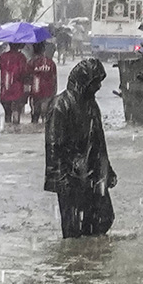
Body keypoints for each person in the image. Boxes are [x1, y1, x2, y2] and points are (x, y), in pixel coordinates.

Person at [44, 58, 116, 239]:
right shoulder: (60, 105)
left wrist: (107, 171)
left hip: (92, 173)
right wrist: (61, 178)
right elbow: (53, 145)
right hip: (69, 175)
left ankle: (91, 258)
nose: (99, 87)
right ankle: (76, 261)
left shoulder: (91, 105)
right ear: (84, 82)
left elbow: (99, 141)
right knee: (73, 230)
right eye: (95, 82)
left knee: (104, 218)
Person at [0, 43, 30, 126]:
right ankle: (15, 131)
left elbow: (2, 68)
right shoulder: (21, 57)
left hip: (5, 89)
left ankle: (7, 130)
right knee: (16, 112)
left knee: (7, 113)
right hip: (17, 89)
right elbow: (24, 73)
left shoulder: (2, 56)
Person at [28, 43, 58, 124]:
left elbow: (27, 78)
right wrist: (54, 92)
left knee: (35, 114)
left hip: (35, 91)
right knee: (46, 114)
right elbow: (54, 79)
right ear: (43, 50)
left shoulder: (31, 63)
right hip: (48, 91)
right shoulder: (51, 63)